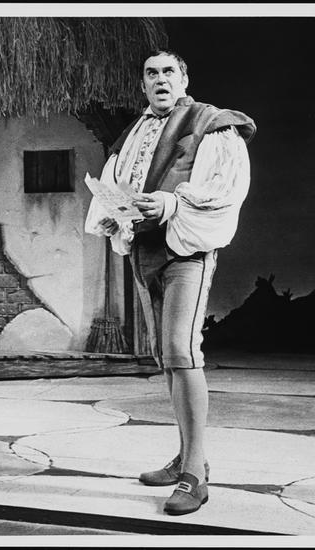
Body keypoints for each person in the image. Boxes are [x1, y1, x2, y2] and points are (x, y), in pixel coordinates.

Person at [85, 49, 256, 515]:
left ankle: (195, 476)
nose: (160, 79)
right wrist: (115, 211)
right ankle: (186, 455)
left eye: (168, 72)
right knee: (165, 357)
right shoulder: (134, 131)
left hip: (186, 250)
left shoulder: (211, 124)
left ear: (184, 78)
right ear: (143, 85)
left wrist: (171, 204)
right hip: (146, 251)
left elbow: (225, 187)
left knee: (181, 350)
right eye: (151, 73)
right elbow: (116, 182)